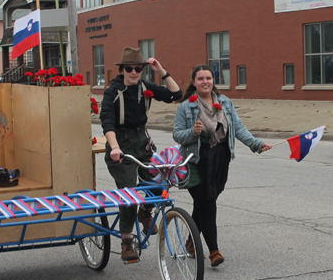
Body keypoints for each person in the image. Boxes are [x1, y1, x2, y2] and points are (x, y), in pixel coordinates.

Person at [173, 65, 272, 267]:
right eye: (200, 78)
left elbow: (238, 127)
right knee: (208, 203)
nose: (205, 82)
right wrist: (193, 132)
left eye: (208, 78)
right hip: (196, 161)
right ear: (194, 82)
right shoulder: (186, 107)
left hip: (220, 159)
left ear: (213, 80)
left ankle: (191, 243)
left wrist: (255, 144)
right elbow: (177, 135)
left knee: (203, 204)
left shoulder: (225, 102)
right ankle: (214, 251)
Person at [100, 46, 182, 261]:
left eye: (138, 68)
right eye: (130, 68)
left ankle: (145, 212)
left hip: (142, 143)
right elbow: (107, 122)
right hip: (120, 143)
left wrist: (161, 71)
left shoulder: (145, 86)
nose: (134, 72)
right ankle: (127, 240)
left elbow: (176, 94)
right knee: (128, 192)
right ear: (123, 69)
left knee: (159, 181)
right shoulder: (113, 91)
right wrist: (115, 147)